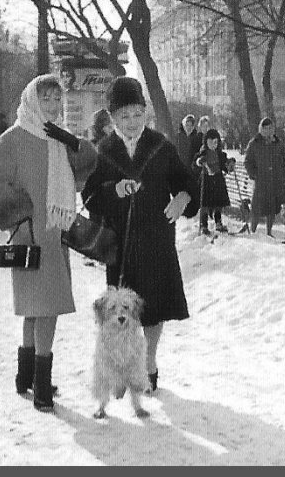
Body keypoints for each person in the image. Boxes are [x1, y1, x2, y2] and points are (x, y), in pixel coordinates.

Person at [0, 74, 97, 411]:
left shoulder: (58, 137)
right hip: (29, 236)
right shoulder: (12, 138)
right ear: (31, 100)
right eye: (45, 98)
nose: (52, 104)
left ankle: (26, 377)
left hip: (55, 234)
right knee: (43, 308)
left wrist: (73, 141)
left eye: (56, 98)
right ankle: (42, 386)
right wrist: (21, 213)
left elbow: (88, 169)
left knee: (37, 309)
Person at [82, 77, 198, 394]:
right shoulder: (104, 151)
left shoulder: (161, 146)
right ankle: (124, 364)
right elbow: (90, 197)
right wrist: (114, 190)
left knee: (154, 307)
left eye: (137, 114)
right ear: (112, 117)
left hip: (157, 239)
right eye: (124, 116)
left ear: (145, 112)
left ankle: (148, 360)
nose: (132, 122)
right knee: (122, 311)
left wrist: (183, 197)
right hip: (120, 244)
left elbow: (187, 180)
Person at [244, 117, 285, 237]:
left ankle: (269, 232)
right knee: (257, 207)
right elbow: (248, 161)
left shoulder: (278, 143)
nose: (269, 131)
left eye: (271, 128)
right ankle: (253, 230)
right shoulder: (254, 143)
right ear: (261, 129)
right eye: (266, 128)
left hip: (275, 179)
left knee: (272, 207)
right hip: (261, 180)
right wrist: (254, 174)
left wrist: (284, 172)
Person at [193, 128, 235, 235]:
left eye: (215, 142)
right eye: (210, 142)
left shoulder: (221, 154)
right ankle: (203, 224)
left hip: (218, 180)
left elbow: (224, 166)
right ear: (206, 142)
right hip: (206, 181)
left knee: (218, 203)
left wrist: (229, 165)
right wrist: (199, 162)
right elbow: (195, 164)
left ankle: (218, 222)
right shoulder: (202, 153)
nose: (213, 145)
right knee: (205, 204)